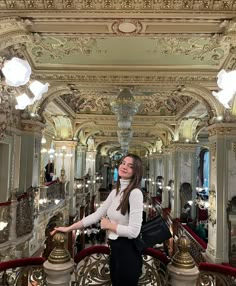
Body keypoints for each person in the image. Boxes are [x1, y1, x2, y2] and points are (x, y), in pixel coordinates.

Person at [51, 153, 144, 286]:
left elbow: (134, 231)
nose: (124, 167)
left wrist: (109, 225)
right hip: (115, 249)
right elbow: (95, 215)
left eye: (130, 166)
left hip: (128, 252)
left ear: (136, 171)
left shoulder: (135, 193)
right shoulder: (115, 192)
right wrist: (69, 228)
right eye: (123, 163)